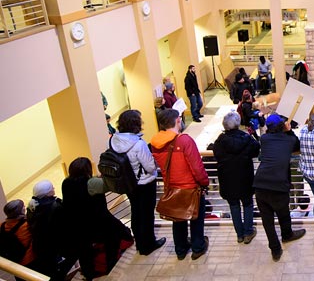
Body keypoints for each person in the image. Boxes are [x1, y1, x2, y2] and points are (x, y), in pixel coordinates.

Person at [151, 109, 209, 261]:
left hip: (171, 187)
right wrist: (204, 182)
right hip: (190, 188)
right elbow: (196, 167)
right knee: (196, 219)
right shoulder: (184, 140)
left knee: (178, 220)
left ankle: (181, 250)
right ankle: (197, 247)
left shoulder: (155, 143)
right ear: (177, 120)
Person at [61, 157, 133, 279]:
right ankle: (110, 264)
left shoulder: (66, 183)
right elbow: (109, 186)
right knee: (112, 240)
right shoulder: (91, 183)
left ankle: (88, 273)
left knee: (84, 251)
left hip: (78, 224)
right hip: (97, 221)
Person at [110, 109, 165, 256]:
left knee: (136, 212)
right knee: (147, 214)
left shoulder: (114, 140)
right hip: (144, 183)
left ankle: (140, 243)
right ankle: (149, 244)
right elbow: (150, 166)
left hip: (128, 183)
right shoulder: (138, 144)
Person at [253, 113, 305, 261]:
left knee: (267, 220)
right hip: (278, 184)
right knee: (283, 213)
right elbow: (297, 144)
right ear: (282, 125)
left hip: (260, 184)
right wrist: (289, 130)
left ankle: (275, 250)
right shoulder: (288, 140)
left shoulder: (264, 139)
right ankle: (287, 235)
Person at [213, 111, 261, 244]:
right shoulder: (246, 138)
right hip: (245, 178)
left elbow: (217, 155)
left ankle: (239, 234)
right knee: (248, 204)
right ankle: (248, 232)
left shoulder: (220, 141)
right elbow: (256, 149)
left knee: (234, 206)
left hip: (227, 179)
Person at [26, 180, 72, 280]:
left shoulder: (31, 207)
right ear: (48, 193)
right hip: (55, 245)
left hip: (40, 247)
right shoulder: (55, 206)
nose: (54, 189)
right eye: (52, 188)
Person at [1, 199, 36, 273]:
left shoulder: (2, 226)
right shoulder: (26, 224)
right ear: (19, 211)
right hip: (30, 259)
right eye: (23, 206)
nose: (24, 207)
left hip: (14, 263)